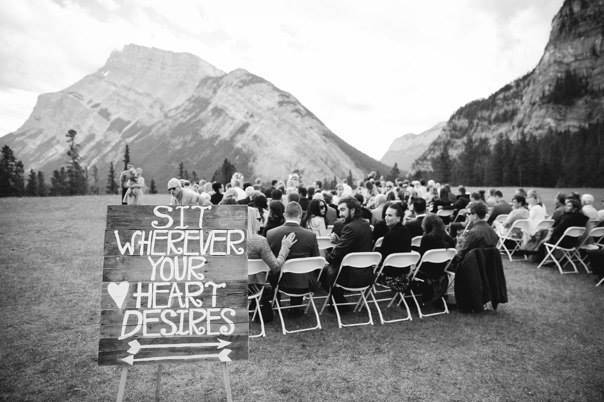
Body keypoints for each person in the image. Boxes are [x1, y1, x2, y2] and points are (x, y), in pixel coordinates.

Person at [267, 202, 321, 309]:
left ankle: (275, 302)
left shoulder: (271, 233)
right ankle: (296, 307)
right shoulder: (311, 235)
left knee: (272, 270)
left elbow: (269, 263)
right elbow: (316, 260)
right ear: (300, 215)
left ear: (284, 215)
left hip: (279, 282)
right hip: (305, 283)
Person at [323, 197, 373, 304]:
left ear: (353, 210)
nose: (340, 214)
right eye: (339, 210)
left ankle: (338, 302)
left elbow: (334, 257)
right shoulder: (366, 224)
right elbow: (356, 247)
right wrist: (339, 242)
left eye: (342, 210)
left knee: (324, 270)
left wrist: (327, 251)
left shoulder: (349, 227)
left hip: (350, 277)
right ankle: (339, 301)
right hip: (366, 275)